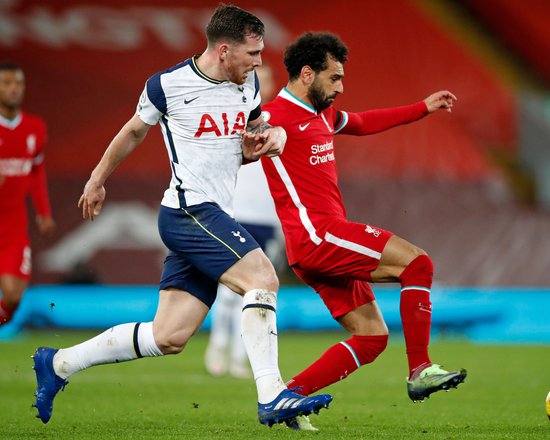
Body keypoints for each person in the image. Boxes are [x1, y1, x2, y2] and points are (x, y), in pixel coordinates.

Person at [31, 6, 331, 429]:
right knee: (262, 278)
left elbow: (250, 137)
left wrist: (272, 137)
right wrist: (97, 180)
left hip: (212, 214)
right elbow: (134, 130)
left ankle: (58, 363)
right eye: (253, 53)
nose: (259, 62)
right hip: (188, 211)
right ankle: (272, 396)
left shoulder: (247, 90)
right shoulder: (168, 85)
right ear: (224, 50)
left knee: (168, 336)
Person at [261, 32, 467, 423]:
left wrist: (421, 108)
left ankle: (288, 397)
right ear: (307, 74)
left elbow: (362, 122)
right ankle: (420, 369)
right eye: (334, 77)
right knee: (417, 264)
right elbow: (234, 144)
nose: (341, 86)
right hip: (318, 236)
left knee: (372, 338)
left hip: (312, 247)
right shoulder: (273, 118)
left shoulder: (321, 112)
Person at [204, 63, 284, 379]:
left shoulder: (279, 122)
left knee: (257, 291)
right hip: (237, 211)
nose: (261, 87)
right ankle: (217, 345)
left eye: (265, 81)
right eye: (256, 81)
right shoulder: (235, 118)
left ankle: (240, 355)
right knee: (231, 288)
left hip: (267, 215)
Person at [0, 62, 56, 326]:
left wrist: (43, 213)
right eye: (7, 83)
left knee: (12, 296)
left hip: (13, 226)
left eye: (18, 83)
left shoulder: (35, 128)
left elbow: (36, 170)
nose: (14, 89)